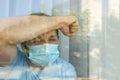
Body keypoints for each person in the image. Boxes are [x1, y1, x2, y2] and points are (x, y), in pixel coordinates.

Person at [0, 13, 79, 80]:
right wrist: (61, 21)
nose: (45, 44)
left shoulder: (65, 70)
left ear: (58, 41)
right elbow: (2, 36)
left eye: (52, 39)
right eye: (37, 40)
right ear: (24, 46)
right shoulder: (13, 62)